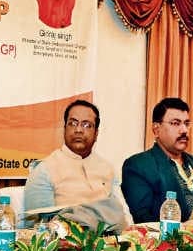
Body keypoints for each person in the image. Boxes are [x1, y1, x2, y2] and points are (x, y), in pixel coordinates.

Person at [24, 99, 132, 230]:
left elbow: (122, 216)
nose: (79, 130)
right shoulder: (44, 170)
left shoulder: (107, 168)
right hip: (66, 240)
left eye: (87, 125)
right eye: (73, 123)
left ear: (96, 133)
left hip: (110, 239)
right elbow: (37, 226)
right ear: (64, 129)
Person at [121, 97, 193, 223]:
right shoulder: (138, 166)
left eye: (186, 123)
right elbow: (143, 219)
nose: (184, 130)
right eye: (175, 123)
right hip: (175, 233)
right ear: (156, 130)